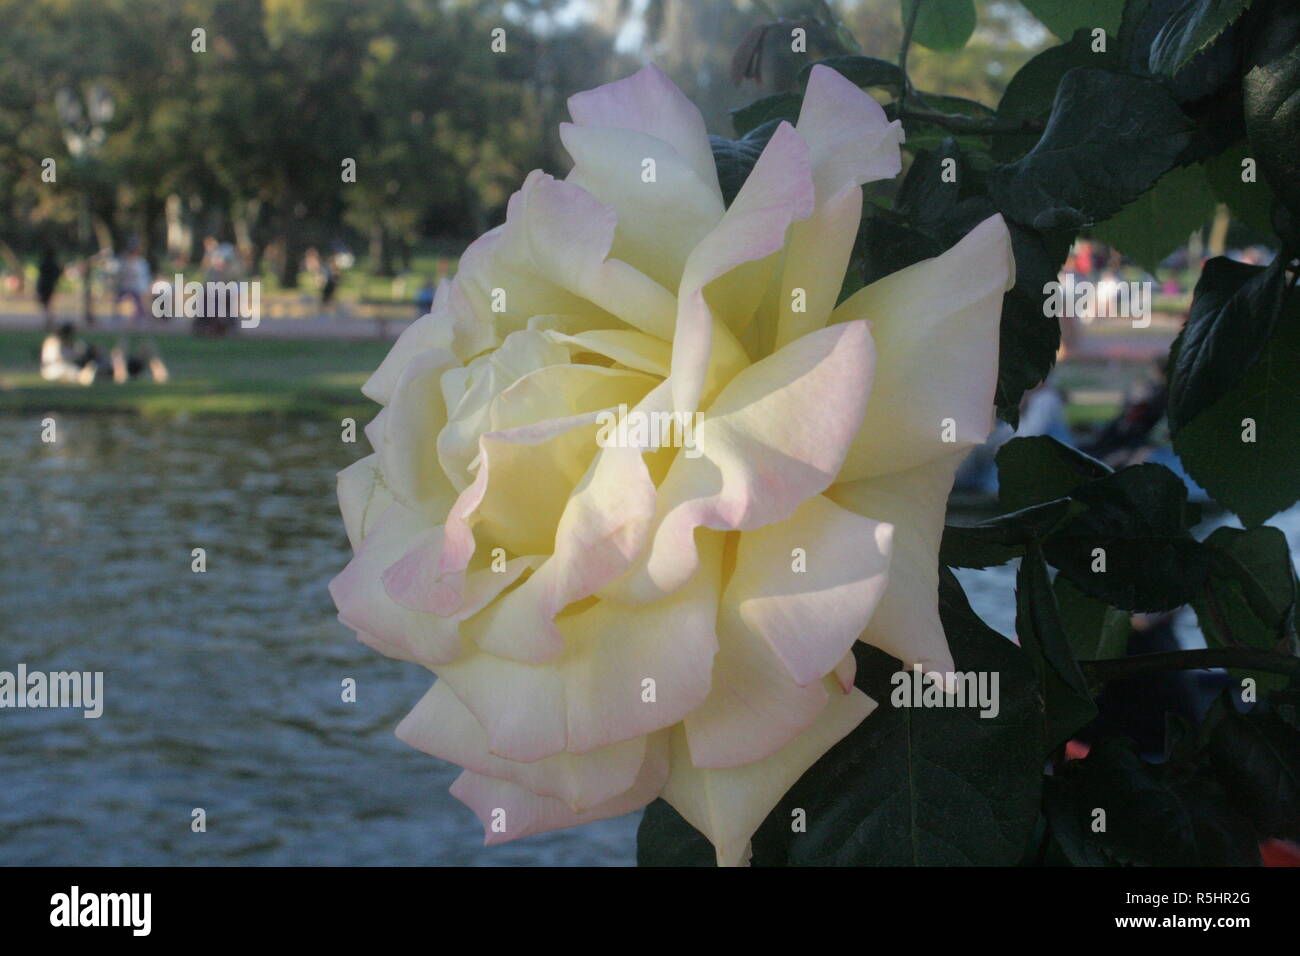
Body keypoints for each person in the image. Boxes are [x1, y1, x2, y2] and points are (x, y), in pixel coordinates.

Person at [36, 248, 61, 332]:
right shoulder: (54, 264)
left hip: (43, 285)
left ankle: (49, 319)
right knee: (48, 303)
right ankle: (50, 319)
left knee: (45, 303)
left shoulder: (43, 263)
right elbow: (58, 273)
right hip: (50, 285)